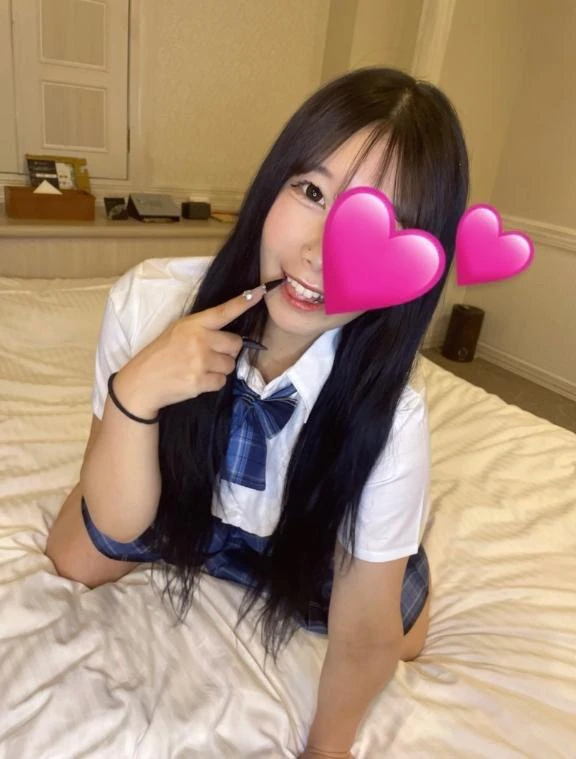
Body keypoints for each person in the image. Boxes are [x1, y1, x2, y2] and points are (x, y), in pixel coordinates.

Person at [46, 67, 469, 758]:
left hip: (310, 544)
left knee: (401, 634)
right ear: (274, 182)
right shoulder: (148, 300)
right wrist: (136, 392)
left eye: (378, 228)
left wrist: (324, 752)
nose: (319, 253)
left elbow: (364, 638)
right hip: (185, 497)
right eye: (312, 192)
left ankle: (383, 544)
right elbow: (113, 526)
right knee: (72, 557)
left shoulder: (393, 419)